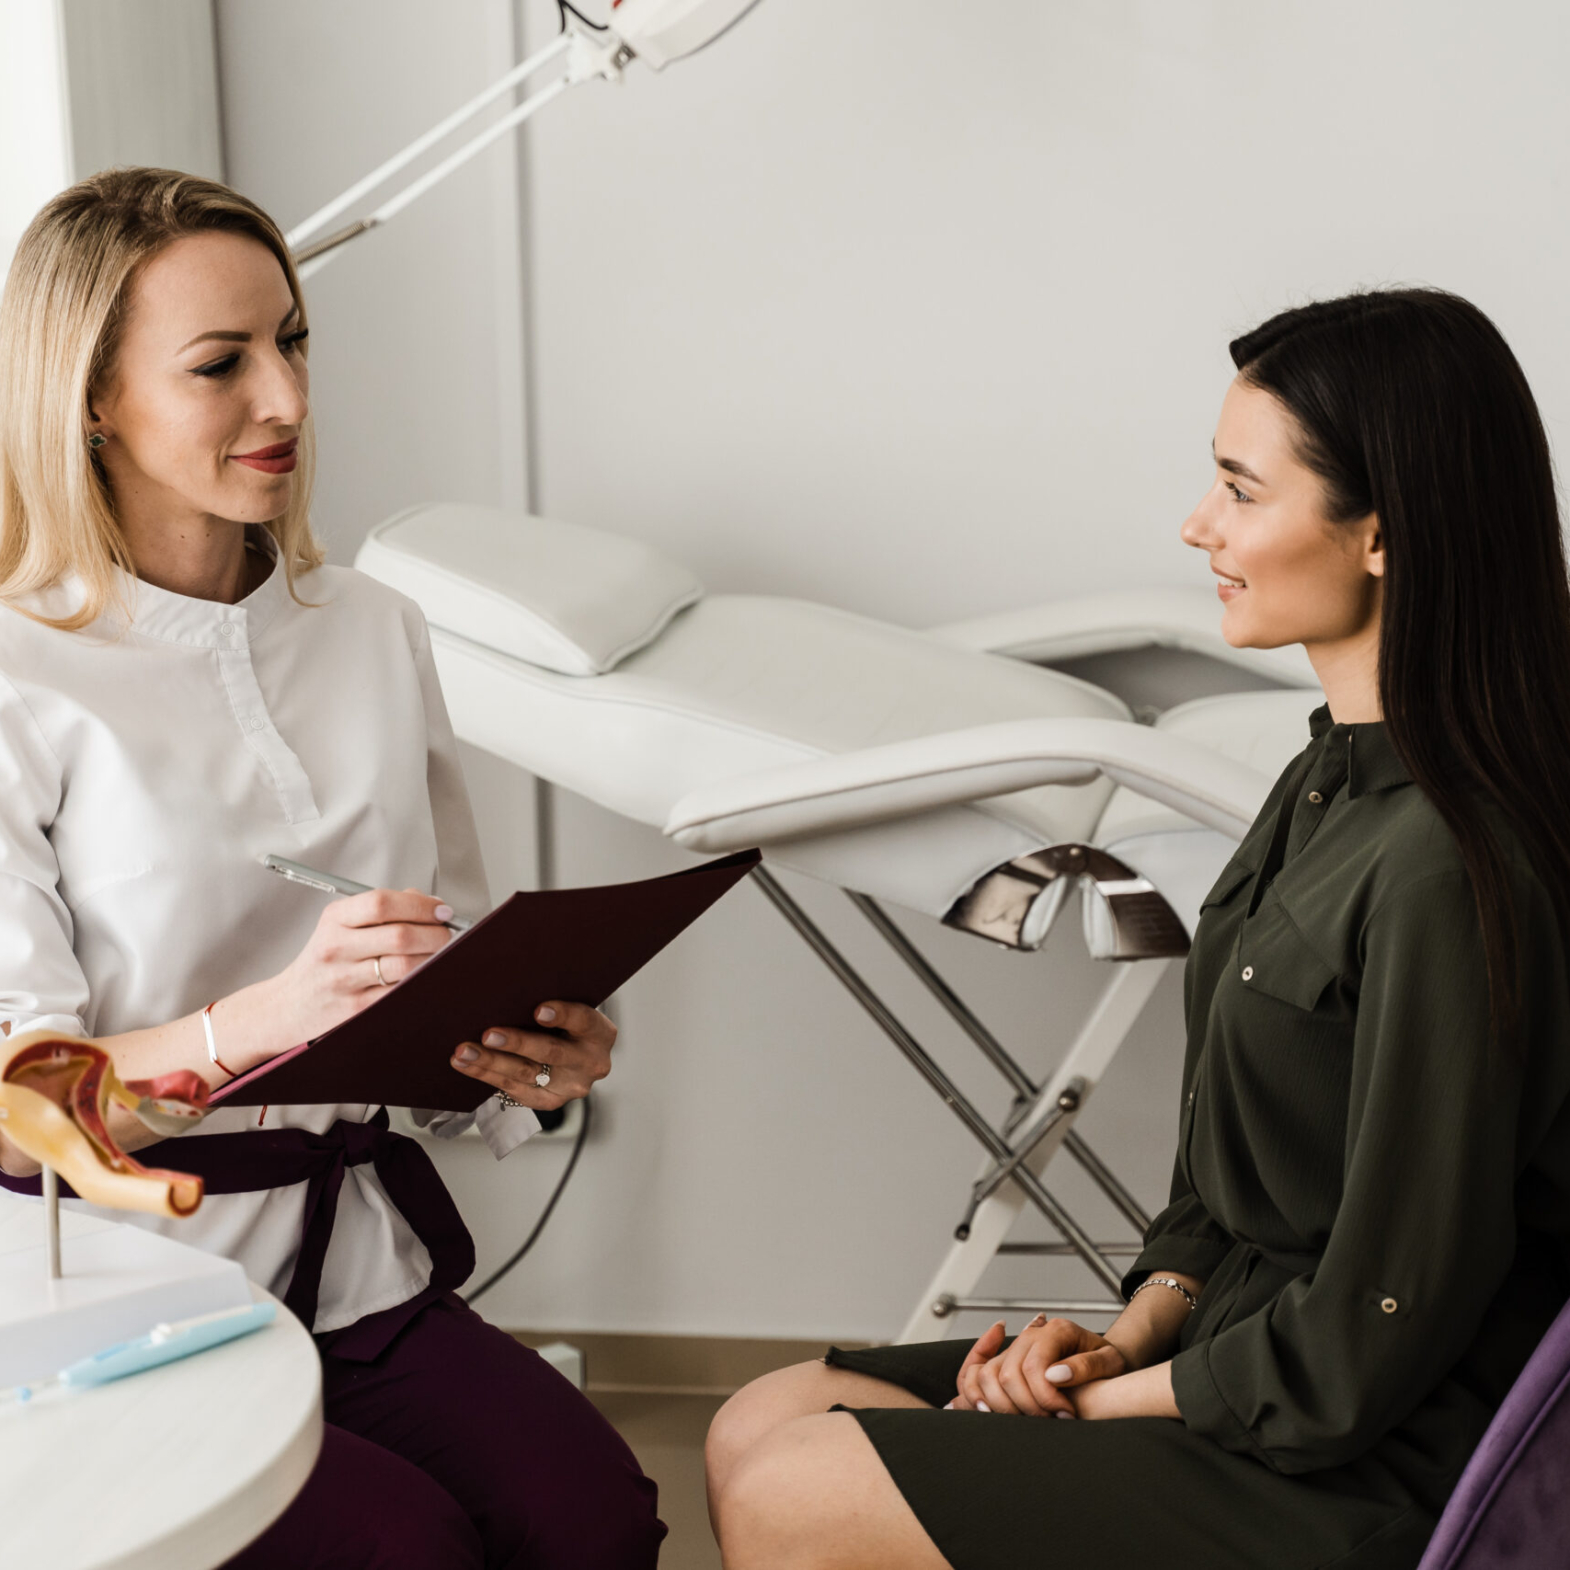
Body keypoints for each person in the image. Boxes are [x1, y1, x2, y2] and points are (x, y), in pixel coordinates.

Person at [704, 288, 1570, 1570]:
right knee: (760, 1416)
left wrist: (1089, 1405)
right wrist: (1125, 1333)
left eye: (1241, 490)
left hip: (1367, 1455)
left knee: (798, 1490)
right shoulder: (1325, 778)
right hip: (1237, 1350)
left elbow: (1374, 1331)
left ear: (1381, 532)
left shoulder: (1449, 864)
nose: (1197, 524)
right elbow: (1226, 1184)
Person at [0, 167, 665, 1569]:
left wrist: (521, 1045)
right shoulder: (18, 673)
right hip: (126, 1299)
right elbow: (18, 1113)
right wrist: (262, 1018)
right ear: (91, 399)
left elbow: (458, 941)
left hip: (357, 1265)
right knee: (405, 1546)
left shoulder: (371, 626)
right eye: (219, 363)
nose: (286, 398)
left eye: (292, 341)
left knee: (591, 1511)